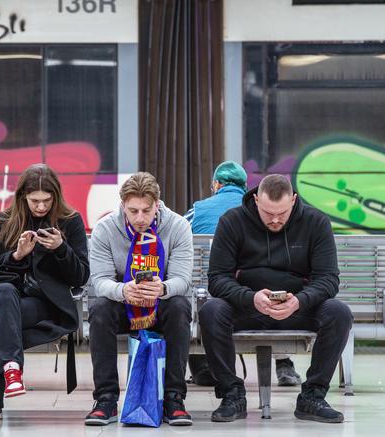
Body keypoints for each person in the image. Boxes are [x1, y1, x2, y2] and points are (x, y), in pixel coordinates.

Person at [200, 174, 352, 424]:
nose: (275, 219)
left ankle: (312, 396)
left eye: (282, 213)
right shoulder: (232, 222)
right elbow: (217, 279)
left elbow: (328, 280)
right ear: (256, 199)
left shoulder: (316, 222)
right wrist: (250, 298)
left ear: (293, 200)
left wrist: (300, 301)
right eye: (268, 212)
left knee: (338, 312)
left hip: (298, 308)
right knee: (211, 311)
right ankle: (232, 395)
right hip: (247, 308)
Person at [0, 163, 89, 423]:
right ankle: (11, 370)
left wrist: (62, 249)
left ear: (56, 197)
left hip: (45, 305)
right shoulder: (6, 220)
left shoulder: (70, 221)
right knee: (3, 294)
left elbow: (80, 277)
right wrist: (16, 255)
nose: (41, 207)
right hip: (7, 298)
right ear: (23, 197)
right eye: (34, 201)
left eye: (47, 201)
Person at [85, 172, 194, 426]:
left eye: (146, 210)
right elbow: (99, 281)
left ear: (158, 204)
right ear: (123, 205)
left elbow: (182, 279)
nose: (140, 219)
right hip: (123, 306)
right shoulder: (106, 228)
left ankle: (173, 398)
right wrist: (122, 291)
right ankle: (106, 399)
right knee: (99, 308)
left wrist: (162, 288)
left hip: (162, 306)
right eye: (133, 211)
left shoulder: (178, 226)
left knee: (180, 306)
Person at [185, 162, 301, 387]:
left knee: (203, 301)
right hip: (255, 294)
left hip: (206, 296)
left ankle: (203, 369)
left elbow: (178, 239)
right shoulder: (255, 213)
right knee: (274, 289)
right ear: (246, 188)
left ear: (216, 185)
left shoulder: (198, 210)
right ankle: (284, 363)